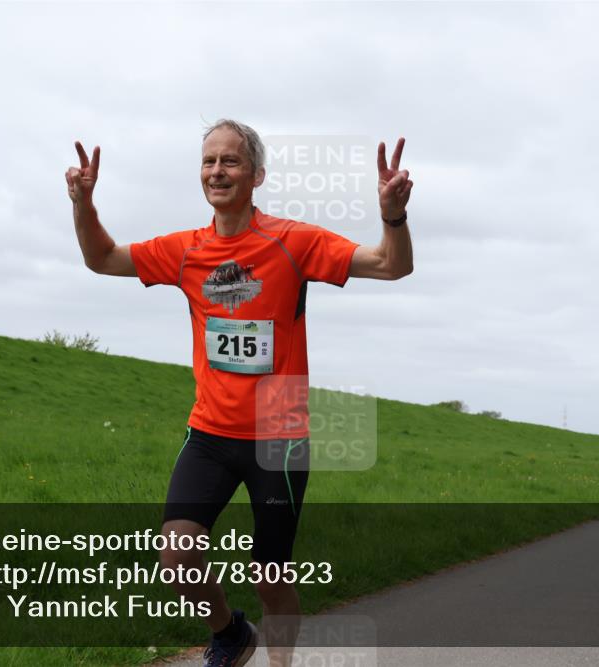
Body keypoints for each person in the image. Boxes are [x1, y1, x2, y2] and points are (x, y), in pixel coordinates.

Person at [66, 120, 413, 667]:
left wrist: (393, 215)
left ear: (256, 175)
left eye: (230, 161)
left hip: (280, 437)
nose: (217, 171)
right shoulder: (185, 250)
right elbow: (102, 258)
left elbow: (393, 266)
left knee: (272, 578)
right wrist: (83, 203)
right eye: (209, 161)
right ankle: (229, 632)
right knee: (178, 557)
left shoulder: (294, 241)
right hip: (209, 434)